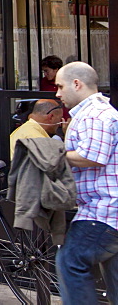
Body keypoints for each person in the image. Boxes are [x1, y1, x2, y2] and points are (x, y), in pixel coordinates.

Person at [54, 61, 118, 304]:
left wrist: (53, 153)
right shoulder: (99, 112)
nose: (58, 94)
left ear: (77, 84)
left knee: (70, 261)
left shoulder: (95, 115)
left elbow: (92, 157)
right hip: (107, 210)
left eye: (60, 87)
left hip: (103, 211)